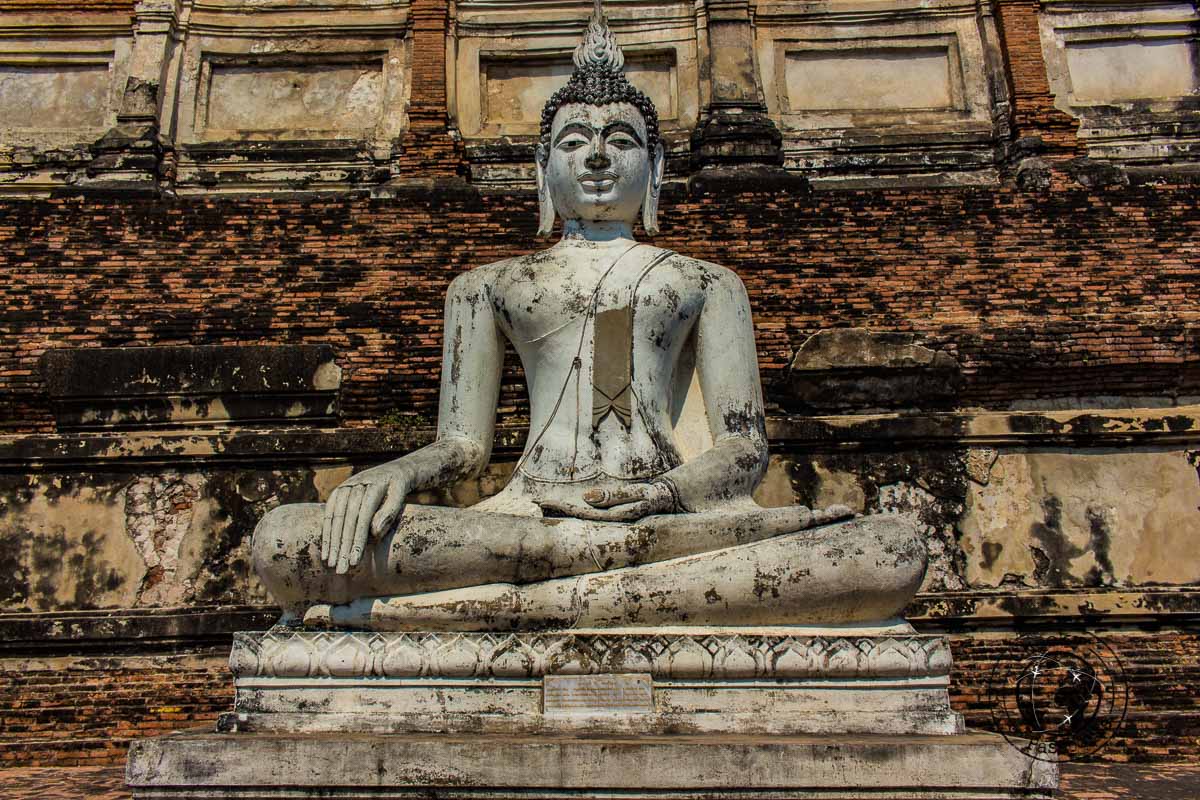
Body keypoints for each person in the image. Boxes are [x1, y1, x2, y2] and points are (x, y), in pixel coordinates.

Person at [252, 3, 926, 631]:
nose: (598, 155)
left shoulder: (707, 282)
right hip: (529, 517)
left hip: (665, 517)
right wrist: (395, 473)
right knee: (285, 541)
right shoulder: (486, 287)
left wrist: (660, 496)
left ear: (655, 167)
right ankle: (610, 592)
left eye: (621, 141)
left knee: (892, 548)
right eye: (574, 141)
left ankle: (515, 601)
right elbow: (463, 446)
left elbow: (743, 449)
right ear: (542, 168)